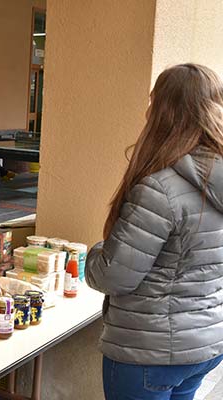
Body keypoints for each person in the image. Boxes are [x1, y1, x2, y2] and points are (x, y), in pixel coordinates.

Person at [85, 63, 223, 400]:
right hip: (205, 343)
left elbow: (113, 276)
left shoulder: (160, 188)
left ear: (164, 111)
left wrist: (92, 255)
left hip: (147, 351)